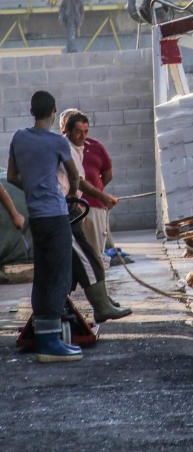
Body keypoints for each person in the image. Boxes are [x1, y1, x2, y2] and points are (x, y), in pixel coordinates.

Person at [7, 90, 83, 363]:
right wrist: (70, 195)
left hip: (36, 216)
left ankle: (45, 334)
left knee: (43, 273)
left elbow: (13, 175)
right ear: (53, 110)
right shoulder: (57, 142)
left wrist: (33, 190)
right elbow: (74, 176)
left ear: (32, 110)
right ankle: (50, 344)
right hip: (55, 214)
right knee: (58, 274)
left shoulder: (19, 138)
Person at [58, 110, 132, 323]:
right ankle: (100, 306)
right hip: (67, 209)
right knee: (88, 260)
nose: (83, 136)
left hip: (74, 207)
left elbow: (87, 179)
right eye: (78, 132)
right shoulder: (66, 148)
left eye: (85, 131)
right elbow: (77, 180)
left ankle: (100, 304)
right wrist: (101, 196)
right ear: (66, 130)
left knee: (88, 259)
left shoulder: (81, 148)